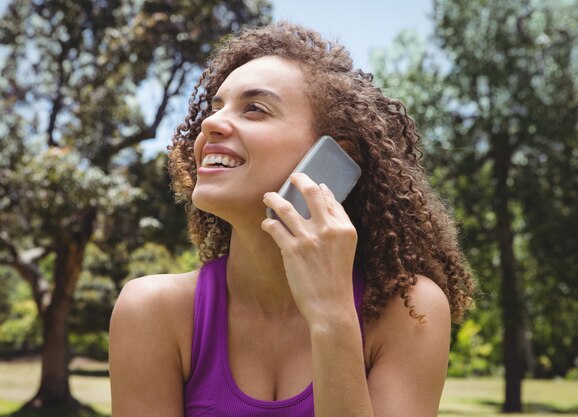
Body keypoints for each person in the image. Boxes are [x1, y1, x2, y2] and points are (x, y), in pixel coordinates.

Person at [109, 22, 474, 417]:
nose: (209, 125)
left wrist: (332, 317)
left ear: (335, 156)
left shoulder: (409, 310)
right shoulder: (152, 311)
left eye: (255, 108)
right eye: (215, 109)